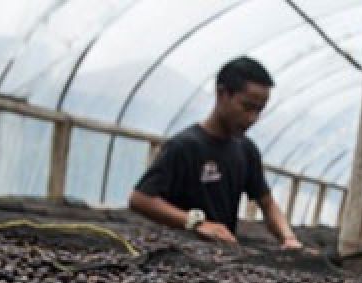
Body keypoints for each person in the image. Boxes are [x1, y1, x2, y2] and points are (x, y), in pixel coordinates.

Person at [129, 56, 302, 249]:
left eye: (259, 110)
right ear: (222, 94)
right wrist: (196, 223)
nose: (252, 118)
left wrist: (288, 238)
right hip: (178, 250)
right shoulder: (185, 145)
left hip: (223, 252)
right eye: (247, 107)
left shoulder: (246, 149)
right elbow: (140, 199)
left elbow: (267, 203)